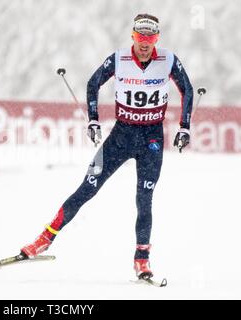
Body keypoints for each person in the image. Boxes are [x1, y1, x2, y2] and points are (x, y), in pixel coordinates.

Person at [20, 13, 193, 280]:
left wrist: (184, 126)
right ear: (132, 37)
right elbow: (93, 83)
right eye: (139, 37)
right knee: (87, 188)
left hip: (152, 140)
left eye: (150, 37)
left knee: (144, 199)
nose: (145, 43)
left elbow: (187, 90)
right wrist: (93, 120)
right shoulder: (119, 59)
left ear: (157, 38)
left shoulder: (168, 59)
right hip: (121, 137)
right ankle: (44, 238)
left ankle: (142, 259)